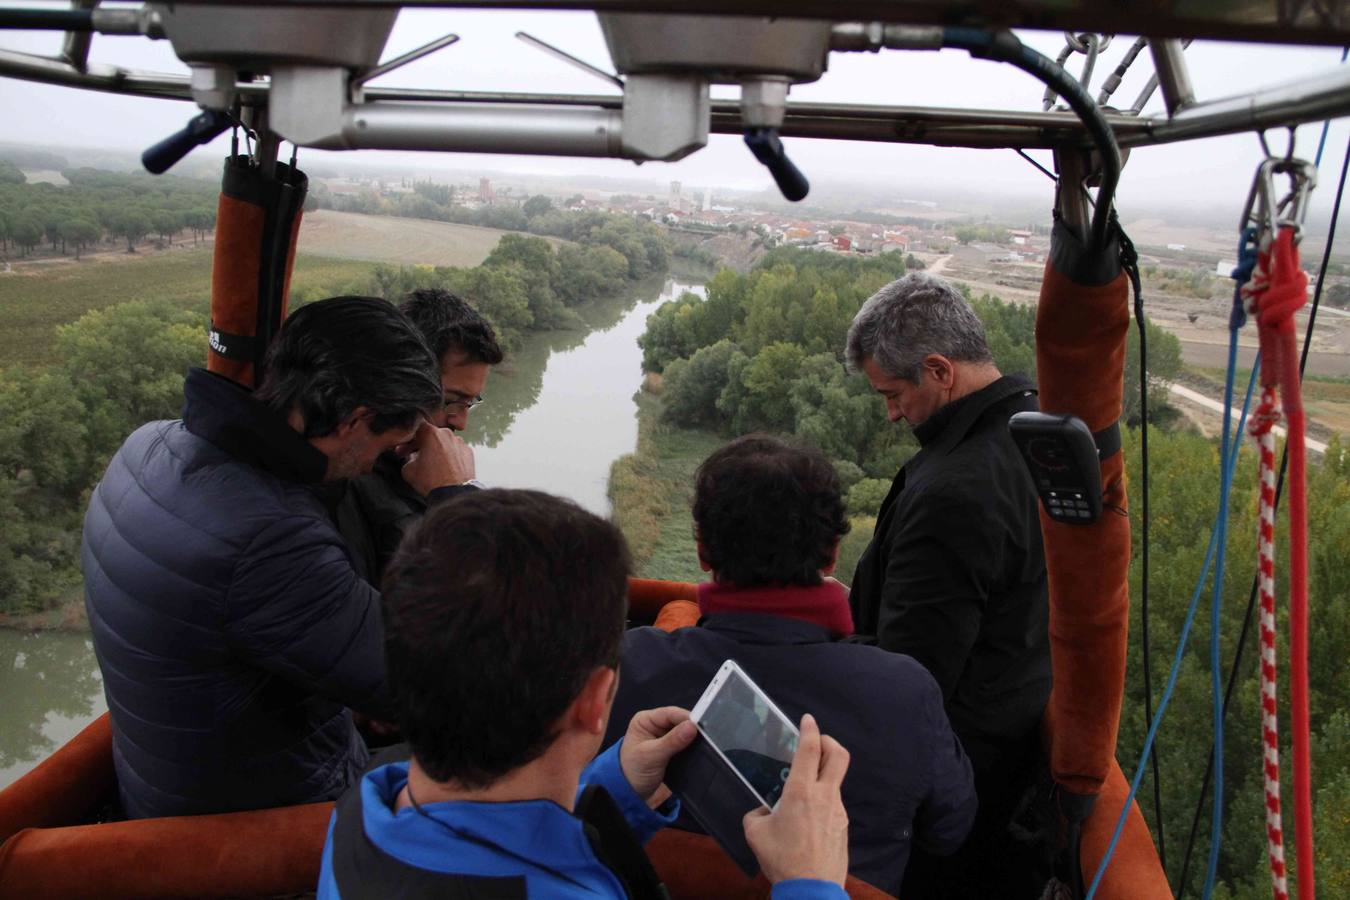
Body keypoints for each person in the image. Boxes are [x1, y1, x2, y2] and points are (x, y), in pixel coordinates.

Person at [318, 489, 852, 900]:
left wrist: (615, 788)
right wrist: (810, 880)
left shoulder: (361, 813)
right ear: (598, 700)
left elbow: (491, 839)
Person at [82, 296, 477, 819]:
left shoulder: (148, 444)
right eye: (386, 447)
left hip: (178, 786)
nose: (374, 467)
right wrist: (454, 497)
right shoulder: (270, 541)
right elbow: (454, 687)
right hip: (265, 822)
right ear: (353, 421)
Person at [605, 435, 976, 895]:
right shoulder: (904, 692)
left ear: (702, 551)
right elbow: (949, 831)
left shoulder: (628, 665)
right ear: (833, 554)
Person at [843, 272, 1050, 896]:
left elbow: (913, 678)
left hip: (953, 787)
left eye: (893, 393)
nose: (890, 413)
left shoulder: (956, 490)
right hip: (1011, 751)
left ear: (939, 370)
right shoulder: (1037, 429)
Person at [337, 288, 504, 582]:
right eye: (451, 400)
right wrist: (456, 498)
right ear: (404, 380)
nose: (462, 422)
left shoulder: (420, 473)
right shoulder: (348, 482)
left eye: (470, 403)